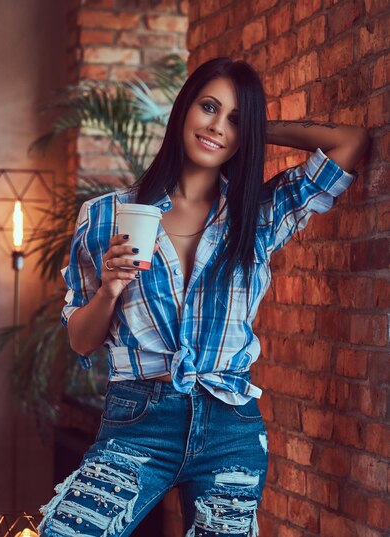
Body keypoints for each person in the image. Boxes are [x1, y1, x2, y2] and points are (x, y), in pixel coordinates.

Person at [37, 57, 370, 537]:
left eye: (235, 118)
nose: (216, 126)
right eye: (208, 108)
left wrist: (253, 128)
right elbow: (81, 342)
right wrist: (110, 288)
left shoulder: (257, 215)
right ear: (183, 110)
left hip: (229, 426)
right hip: (138, 422)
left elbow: (349, 142)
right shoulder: (106, 216)